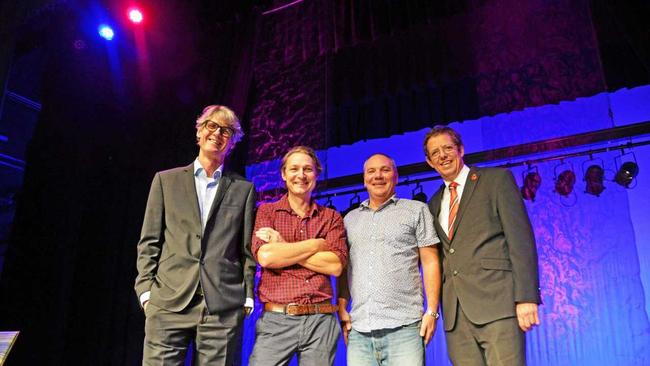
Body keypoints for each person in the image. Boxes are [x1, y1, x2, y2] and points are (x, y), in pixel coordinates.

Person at [134, 105, 256, 365]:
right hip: (168, 301)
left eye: (226, 130)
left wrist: (246, 295)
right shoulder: (166, 181)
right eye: (211, 125)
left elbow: (245, 248)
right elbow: (149, 242)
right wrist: (146, 292)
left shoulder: (243, 189)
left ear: (232, 142)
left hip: (221, 308)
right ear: (199, 133)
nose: (217, 133)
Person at [423, 125, 541, 366]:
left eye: (447, 148)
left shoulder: (496, 180)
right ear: (429, 162)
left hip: (498, 304)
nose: (442, 156)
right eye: (435, 153)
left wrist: (527, 297)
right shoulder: (433, 203)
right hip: (456, 316)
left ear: (461, 150)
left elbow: (521, 240)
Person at [337, 153, 441, 366]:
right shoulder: (349, 219)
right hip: (360, 330)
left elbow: (430, 262)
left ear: (396, 176)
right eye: (371, 171)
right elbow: (344, 268)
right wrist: (341, 307)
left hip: (405, 328)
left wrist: (432, 311)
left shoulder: (415, 210)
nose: (378, 176)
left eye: (385, 170)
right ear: (364, 179)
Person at [249, 146, 348, 366]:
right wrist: (316, 244)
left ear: (316, 175)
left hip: (321, 320)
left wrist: (283, 245)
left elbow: (334, 266)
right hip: (277, 320)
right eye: (294, 169)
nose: (301, 175)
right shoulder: (267, 212)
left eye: (307, 169)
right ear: (284, 174)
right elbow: (266, 257)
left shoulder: (331, 218)